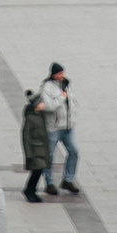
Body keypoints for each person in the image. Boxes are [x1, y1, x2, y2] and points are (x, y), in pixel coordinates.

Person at [39, 63, 79, 195]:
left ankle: (68, 179)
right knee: (50, 156)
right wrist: (62, 97)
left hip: (68, 126)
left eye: (63, 73)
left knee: (74, 151)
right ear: (54, 75)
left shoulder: (67, 84)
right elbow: (48, 106)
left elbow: (71, 100)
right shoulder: (47, 87)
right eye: (59, 74)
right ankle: (49, 183)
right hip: (54, 127)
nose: (62, 76)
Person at [20, 91, 53, 202]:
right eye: (42, 102)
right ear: (36, 106)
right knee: (36, 172)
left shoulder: (41, 115)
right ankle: (29, 190)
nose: (44, 104)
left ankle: (30, 190)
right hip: (35, 151)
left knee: (38, 171)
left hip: (42, 150)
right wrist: (28, 154)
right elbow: (25, 137)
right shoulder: (30, 118)